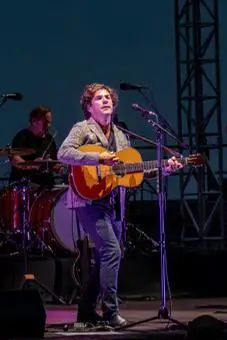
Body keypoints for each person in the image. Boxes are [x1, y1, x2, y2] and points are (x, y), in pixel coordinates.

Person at [57, 83, 183, 327]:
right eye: (99, 98)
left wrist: (164, 169)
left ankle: (85, 310)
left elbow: (131, 171)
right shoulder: (82, 129)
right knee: (112, 251)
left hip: (113, 203)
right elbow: (64, 153)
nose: (105, 101)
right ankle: (110, 312)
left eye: (108, 98)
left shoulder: (121, 136)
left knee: (108, 254)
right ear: (89, 106)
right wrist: (98, 157)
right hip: (88, 200)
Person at [9, 105, 59, 187]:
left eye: (50, 122)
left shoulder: (50, 139)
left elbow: (53, 162)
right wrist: (32, 165)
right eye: (46, 122)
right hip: (27, 185)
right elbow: (15, 160)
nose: (49, 126)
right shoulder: (22, 137)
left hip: (47, 185)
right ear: (34, 121)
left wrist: (58, 167)